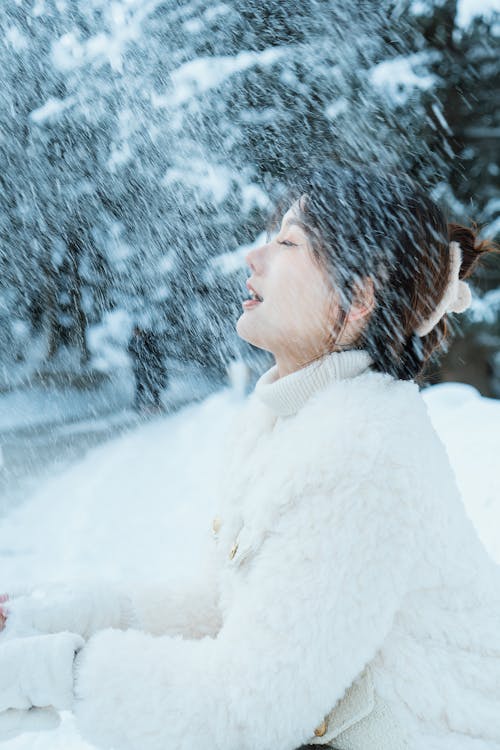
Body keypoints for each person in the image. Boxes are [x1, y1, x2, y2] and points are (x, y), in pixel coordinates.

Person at [1, 165, 499, 750]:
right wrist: (57, 620)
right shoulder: (290, 421)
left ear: (358, 297)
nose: (254, 258)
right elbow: (220, 609)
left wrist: (56, 673)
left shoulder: (363, 455)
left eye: (288, 243)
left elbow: (244, 711)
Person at [127, 325, 168, 414]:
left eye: (137, 330)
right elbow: (131, 351)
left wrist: (152, 362)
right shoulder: (133, 341)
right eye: (134, 331)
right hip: (139, 368)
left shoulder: (147, 338)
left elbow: (154, 351)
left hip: (150, 366)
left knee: (152, 384)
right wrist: (136, 359)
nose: (135, 333)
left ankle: (157, 402)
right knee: (139, 386)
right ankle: (138, 404)